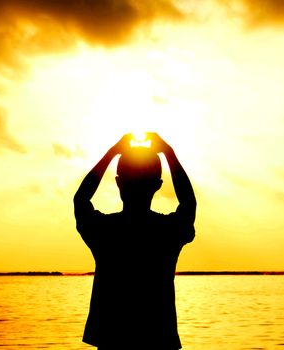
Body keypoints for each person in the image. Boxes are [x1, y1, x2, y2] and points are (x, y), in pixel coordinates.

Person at [74, 132, 196, 349]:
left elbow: (80, 199)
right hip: (159, 340)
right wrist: (169, 153)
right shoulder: (167, 232)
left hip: (112, 340)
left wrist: (112, 152)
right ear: (157, 186)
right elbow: (188, 203)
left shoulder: (105, 231)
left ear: (118, 183)